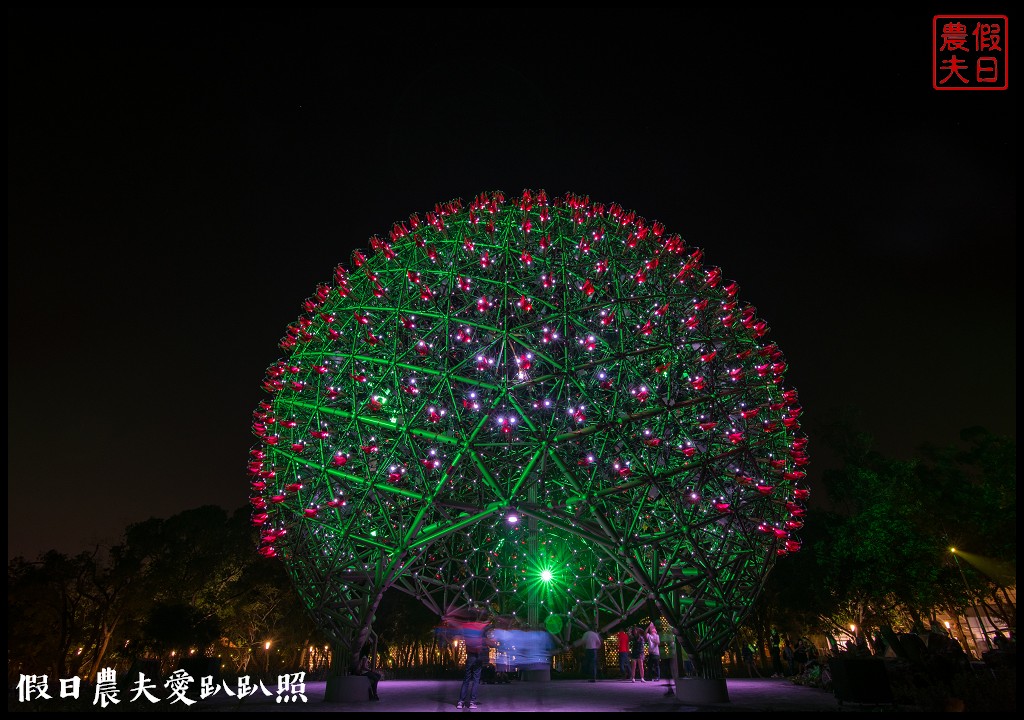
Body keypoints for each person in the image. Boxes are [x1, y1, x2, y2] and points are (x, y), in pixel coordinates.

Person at [456, 619, 497, 709]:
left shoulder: (467, 627)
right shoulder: (482, 630)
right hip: (478, 656)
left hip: (470, 655)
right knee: (476, 679)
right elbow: (489, 628)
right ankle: (472, 702)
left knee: (466, 679)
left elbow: (457, 626)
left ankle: (461, 701)